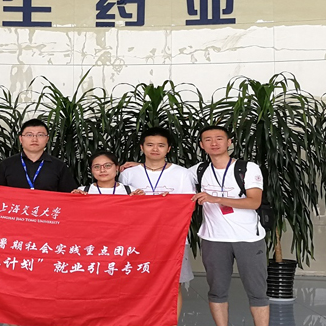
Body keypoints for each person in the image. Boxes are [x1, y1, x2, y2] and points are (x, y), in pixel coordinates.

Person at [191, 125, 269, 326]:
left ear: (229, 142)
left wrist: (216, 199)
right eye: (208, 139)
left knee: (257, 292)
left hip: (248, 238)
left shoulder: (247, 168)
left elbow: (254, 202)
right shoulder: (199, 170)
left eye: (219, 138)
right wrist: (138, 167)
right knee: (217, 291)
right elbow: (169, 176)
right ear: (201, 145)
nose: (214, 143)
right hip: (213, 239)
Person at [118, 127, 196, 324]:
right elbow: (121, 207)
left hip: (173, 239)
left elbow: (188, 206)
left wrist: (166, 204)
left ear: (168, 149)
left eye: (161, 145)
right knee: (137, 283)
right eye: (150, 145)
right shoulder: (129, 174)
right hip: (138, 240)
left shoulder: (182, 174)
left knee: (173, 285)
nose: (155, 149)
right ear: (142, 147)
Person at [0, 119, 77, 192]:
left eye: (40, 135)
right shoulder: (6, 165)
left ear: (47, 139)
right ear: (21, 139)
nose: (34, 139)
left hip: (47, 208)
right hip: (15, 208)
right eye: (29, 135)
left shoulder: (59, 166)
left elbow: (69, 195)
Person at [70, 150, 144, 196]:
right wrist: (75, 199)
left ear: (117, 168)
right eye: (96, 167)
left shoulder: (132, 192)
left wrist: (139, 199)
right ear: (91, 170)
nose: (102, 170)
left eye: (107, 166)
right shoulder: (82, 191)